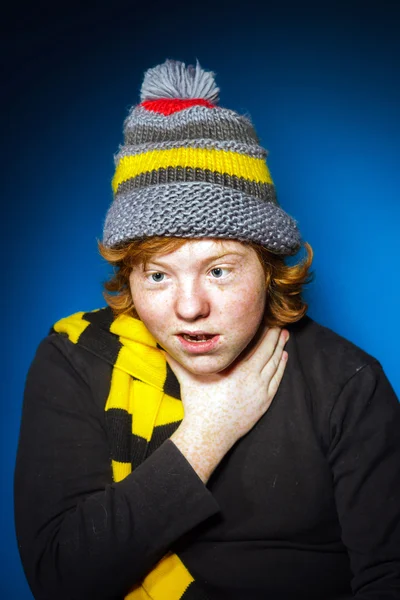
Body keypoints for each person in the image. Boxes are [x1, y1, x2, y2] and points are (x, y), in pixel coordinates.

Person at [14, 59, 400, 600]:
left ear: (267, 267)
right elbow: (59, 579)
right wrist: (209, 432)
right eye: (157, 275)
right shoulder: (75, 361)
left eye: (218, 270)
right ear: (129, 276)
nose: (189, 307)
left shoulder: (348, 382)